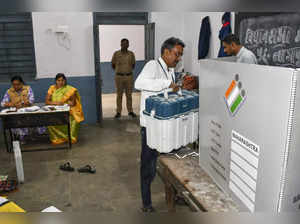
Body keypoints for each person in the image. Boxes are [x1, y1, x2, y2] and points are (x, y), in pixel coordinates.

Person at [135, 37, 185, 212]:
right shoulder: (152, 66)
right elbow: (139, 83)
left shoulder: (170, 70)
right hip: (150, 126)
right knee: (148, 165)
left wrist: (176, 90)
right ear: (166, 51)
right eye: (177, 54)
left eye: (180, 55)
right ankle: (146, 203)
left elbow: (167, 91)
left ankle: (175, 195)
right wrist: (166, 84)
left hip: (165, 123)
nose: (178, 58)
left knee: (171, 162)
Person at [1, 76, 45, 142]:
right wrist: (12, 104)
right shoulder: (9, 91)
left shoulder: (28, 89)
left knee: (35, 118)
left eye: (18, 84)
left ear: (22, 83)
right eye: (14, 85)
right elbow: (2, 103)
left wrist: (26, 103)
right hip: (16, 113)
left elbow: (31, 100)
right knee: (15, 120)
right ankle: (22, 137)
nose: (16, 86)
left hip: (28, 110)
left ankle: (32, 135)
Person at [45, 73, 84, 144]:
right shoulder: (52, 88)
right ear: (55, 81)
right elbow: (47, 101)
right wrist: (57, 103)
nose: (61, 82)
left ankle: (70, 138)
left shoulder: (70, 89)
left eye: (62, 80)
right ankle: (58, 138)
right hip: (55, 109)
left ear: (65, 81)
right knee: (49, 120)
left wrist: (65, 103)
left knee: (73, 119)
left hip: (67, 109)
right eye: (58, 80)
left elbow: (73, 103)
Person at [111, 38, 137, 118]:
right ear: (121, 44)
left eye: (126, 43)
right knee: (119, 95)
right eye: (123, 43)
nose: (125, 45)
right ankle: (118, 112)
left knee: (129, 95)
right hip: (119, 77)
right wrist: (119, 71)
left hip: (129, 77)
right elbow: (113, 64)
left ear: (128, 45)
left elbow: (133, 65)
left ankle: (130, 111)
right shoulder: (116, 54)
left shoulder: (131, 54)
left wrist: (127, 71)